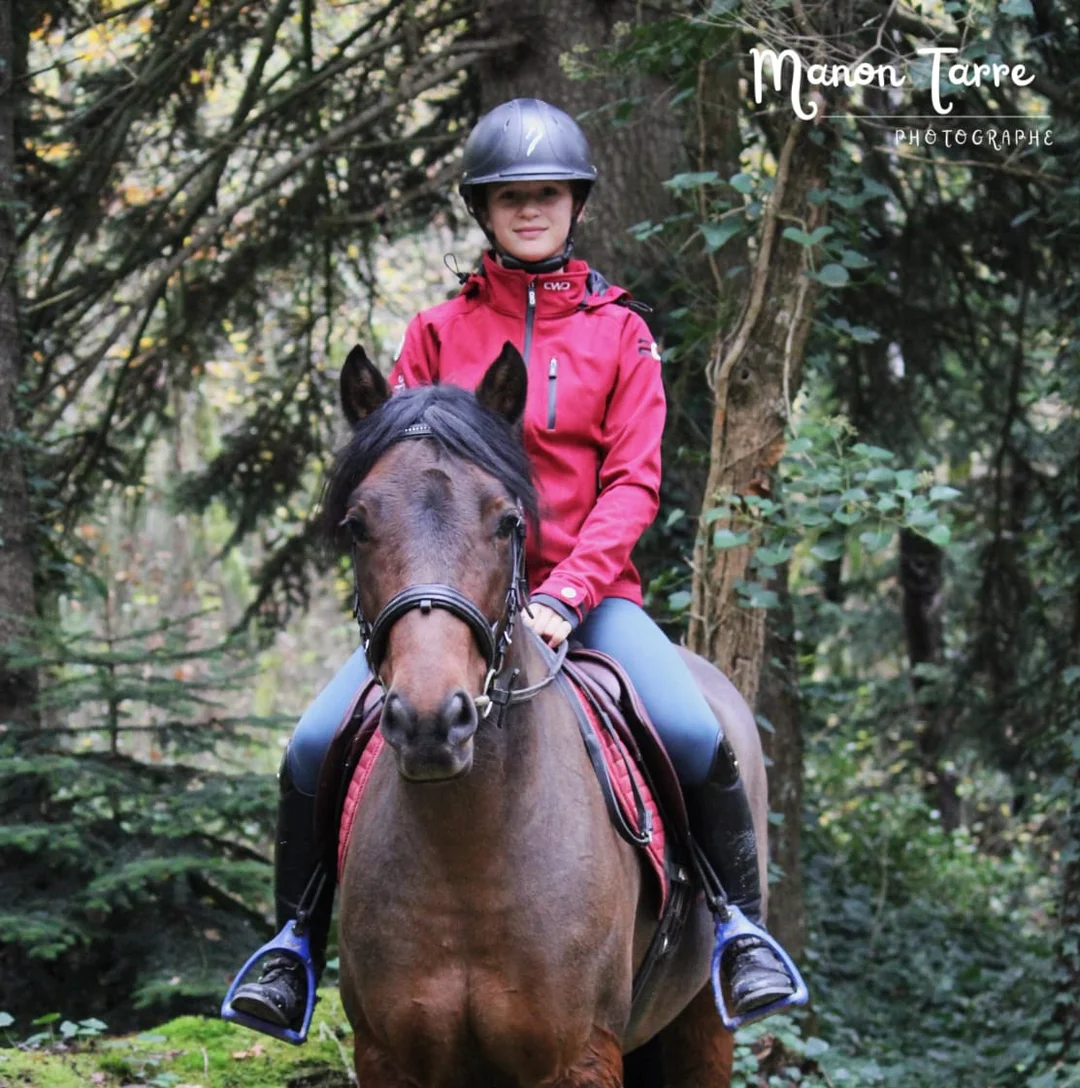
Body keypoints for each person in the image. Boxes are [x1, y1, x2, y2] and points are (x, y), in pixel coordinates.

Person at [226, 97, 801, 1037]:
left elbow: (633, 484)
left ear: (575, 203)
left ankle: (738, 932)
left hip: (592, 596)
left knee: (702, 735)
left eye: (546, 194)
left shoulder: (623, 335)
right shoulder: (436, 334)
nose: (528, 209)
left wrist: (569, 595)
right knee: (309, 742)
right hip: (453, 604)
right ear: (483, 211)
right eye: (508, 197)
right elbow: (406, 486)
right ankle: (292, 946)